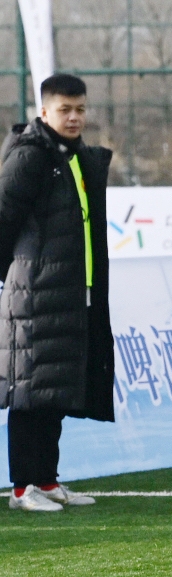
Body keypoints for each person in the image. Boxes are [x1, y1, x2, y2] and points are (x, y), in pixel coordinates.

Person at [0, 74, 113, 513]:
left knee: (55, 390)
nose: (74, 117)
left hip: (72, 292)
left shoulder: (76, 157)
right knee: (30, 391)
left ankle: (46, 480)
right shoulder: (29, 156)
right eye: (65, 109)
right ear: (44, 111)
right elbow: (4, 217)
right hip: (34, 295)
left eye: (80, 109)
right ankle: (23, 488)